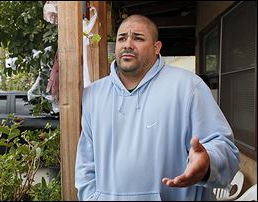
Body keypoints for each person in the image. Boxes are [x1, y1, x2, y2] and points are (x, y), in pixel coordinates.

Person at [75, 14, 240, 201]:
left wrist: (208, 164)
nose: (127, 44)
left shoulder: (188, 87)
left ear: (156, 48)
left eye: (138, 37)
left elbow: (225, 148)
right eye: (122, 38)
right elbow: (85, 164)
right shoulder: (93, 95)